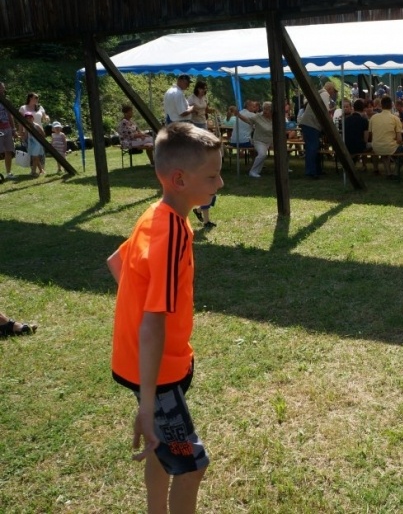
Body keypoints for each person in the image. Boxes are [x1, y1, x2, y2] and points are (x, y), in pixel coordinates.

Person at [106, 123, 223, 513]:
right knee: (190, 466)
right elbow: (154, 321)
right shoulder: (171, 231)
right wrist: (149, 403)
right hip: (157, 376)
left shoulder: (156, 215)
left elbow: (116, 263)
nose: (220, 182)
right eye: (211, 175)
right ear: (179, 179)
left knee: (162, 452)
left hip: (153, 371)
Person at [298, 81, 337, 180]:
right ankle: (311, 172)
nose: (333, 94)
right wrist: (332, 110)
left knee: (314, 147)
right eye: (333, 91)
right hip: (311, 124)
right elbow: (325, 111)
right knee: (312, 148)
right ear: (330, 89)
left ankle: (316, 170)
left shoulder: (320, 93)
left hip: (309, 124)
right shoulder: (324, 94)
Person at [368, 95, 403, 179]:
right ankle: (396, 172)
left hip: (376, 146)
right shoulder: (395, 118)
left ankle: (388, 172)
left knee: (385, 152)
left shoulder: (373, 118)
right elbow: (399, 139)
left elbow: (370, 135)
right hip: (389, 147)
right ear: (392, 105)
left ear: (381, 105)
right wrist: (394, 142)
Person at [239, 101, 273, 178]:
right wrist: (238, 115)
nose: (265, 111)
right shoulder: (258, 116)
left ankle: (285, 168)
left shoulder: (276, 118)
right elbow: (247, 120)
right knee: (262, 154)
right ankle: (253, 172)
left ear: (272, 110)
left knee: (283, 150)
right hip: (259, 140)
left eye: (267, 109)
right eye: (264, 109)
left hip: (271, 140)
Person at [343, 99, 370, 170]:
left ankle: (353, 163)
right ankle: (364, 165)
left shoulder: (346, 120)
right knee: (370, 145)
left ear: (353, 108)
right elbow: (366, 139)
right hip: (359, 147)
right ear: (363, 109)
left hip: (346, 145)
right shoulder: (364, 121)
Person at [0, 83, 17, 179]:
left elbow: (10, 115)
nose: (2, 90)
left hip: (7, 128)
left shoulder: (6, 101)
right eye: (0, 88)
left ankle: (8, 173)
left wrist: (14, 129)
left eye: (3, 88)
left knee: (9, 150)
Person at [24, 112, 45, 177]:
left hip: (37, 143)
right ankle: (41, 170)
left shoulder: (36, 125)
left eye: (30, 117)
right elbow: (26, 136)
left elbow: (43, 133)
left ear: (33, 118)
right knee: (34, 158)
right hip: (31, 144)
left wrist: (40, 138)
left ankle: (33, 172)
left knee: (35, 157)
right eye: (27, 118)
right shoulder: (27, 126)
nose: (29, 119)